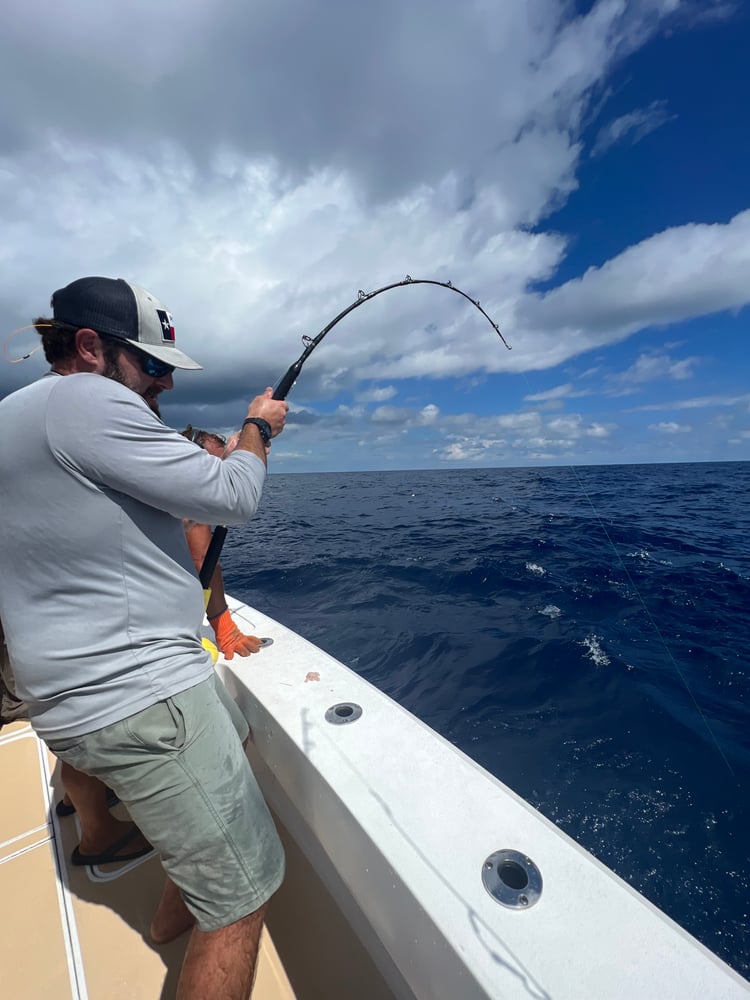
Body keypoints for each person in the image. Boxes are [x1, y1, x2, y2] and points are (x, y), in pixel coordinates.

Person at [0, 276, 288, 999]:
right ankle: (189, 913)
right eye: (152, 364)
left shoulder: (13, 416)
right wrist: (259, 428)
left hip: (60, 695)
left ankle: (164, 921)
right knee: (241, 900)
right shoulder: (91, 399)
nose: (161, 383)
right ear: (90, 348)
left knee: (235, 738)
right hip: (143, 700)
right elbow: (234, 495)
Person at [180, 425, 265, 658]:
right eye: (215, 468)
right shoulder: (185, 488)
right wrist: (226, 630)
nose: (219, 478)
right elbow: (203, 559)